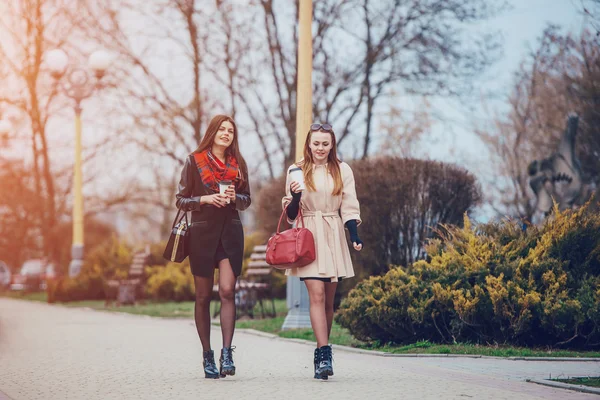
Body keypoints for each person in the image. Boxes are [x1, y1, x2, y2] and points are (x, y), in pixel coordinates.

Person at [282, 123, 363, 380]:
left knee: (328, 300)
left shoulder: (342, 169)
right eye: (316, 143)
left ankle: (321, 352)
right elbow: (290, 214)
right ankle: (324, 352)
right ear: (309, 144)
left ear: (332, 145)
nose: (320, 148)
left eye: (325, 144)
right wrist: (295, 198)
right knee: (315, 294)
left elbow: (349, 204)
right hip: (307, 235)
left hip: (333, 233)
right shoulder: (295, 170)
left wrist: (354, 235)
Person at [176, 115, 251, 379]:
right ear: (213, 132)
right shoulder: (193, 161)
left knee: (228, 291)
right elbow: (181, 200)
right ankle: (207, 354)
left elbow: (246, 200)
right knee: (203, 296)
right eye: (222, 129)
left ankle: (227, 353)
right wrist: (206, 199)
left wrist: (234, 197)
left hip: (230, 233)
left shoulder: (238, 163)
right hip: (202, 235)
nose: (226, 133)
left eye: (231, 130)